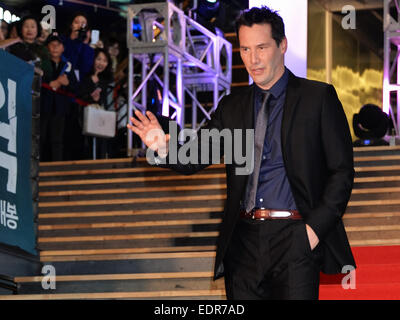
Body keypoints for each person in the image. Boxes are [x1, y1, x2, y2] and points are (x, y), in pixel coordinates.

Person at [127, 6, 356, 300]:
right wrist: (162, 148)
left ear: (282, 45)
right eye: (245, 49)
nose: (253, 59)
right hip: (243, 243)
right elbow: (196, 155)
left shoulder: (317, 98)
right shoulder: (233, 106)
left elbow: (341, 172)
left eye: (261, 47)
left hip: (296, 236)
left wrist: (312, 232)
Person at [40, 33, 78, 161]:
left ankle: (57, 165)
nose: (55, 47)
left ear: (63, 48)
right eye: (52, 45)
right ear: (47, 47)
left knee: (57, 138)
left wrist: (67, 83)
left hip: (61, 108)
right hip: (43, 105)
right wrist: (52, 83)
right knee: (41, 136)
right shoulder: (42, 63)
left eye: (58, 45)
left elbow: (75, 87)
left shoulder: (67, 65)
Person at [78, 48, 114, 159]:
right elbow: (79, 95)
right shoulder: (84, 77)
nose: (101, 63)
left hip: (102, 117)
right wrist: (90, 96)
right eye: (98, 59)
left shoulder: (108, 80)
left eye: (104, 60)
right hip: (84, 116)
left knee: (101, 144)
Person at [60, 12, 94, 82]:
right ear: (71, 25)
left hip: (74, 83)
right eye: (76, 22)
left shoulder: (87, 49)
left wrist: (85, 42)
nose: (79, 26)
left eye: (83, 24)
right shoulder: (61, 40)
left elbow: (85, 68)